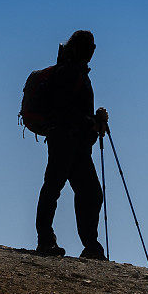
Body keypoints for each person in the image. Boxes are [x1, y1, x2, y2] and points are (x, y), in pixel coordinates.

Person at [35, 30, 109, 260]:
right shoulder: (70, 73)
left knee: (79, 191)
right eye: (91, 46)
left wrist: (92, 122)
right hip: (67, 140)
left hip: (71, 142)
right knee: (67, 189)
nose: (93, 50)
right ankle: (54, 241)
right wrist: (93, 122)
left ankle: (82, 244)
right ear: (83, 48)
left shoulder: (74, 72)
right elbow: (65, 111)